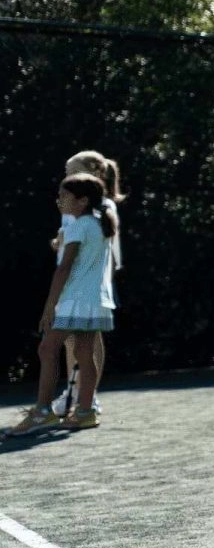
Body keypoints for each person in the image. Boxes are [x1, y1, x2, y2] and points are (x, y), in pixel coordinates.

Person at [8, 173, 118, 436]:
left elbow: (64, 269)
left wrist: (49, 306)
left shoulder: (79, 226)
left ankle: (43, 413)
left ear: (82, 201)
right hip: (95, 301)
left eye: (65, 196)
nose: (59, 200)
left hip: (75, 301)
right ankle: (84, 412)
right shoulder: (98, 224)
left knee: (47, 348)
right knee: (84, 353)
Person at [51, 150, 123, 419]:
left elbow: (106, 248)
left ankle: (88, 396)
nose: (67, 176)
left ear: (94, 174)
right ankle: (74, 394)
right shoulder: (72, 204)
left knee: (89, 337)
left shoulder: (103, 206)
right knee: (73, 338)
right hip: (74, 281)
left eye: (72, 170)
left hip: (92, 282)